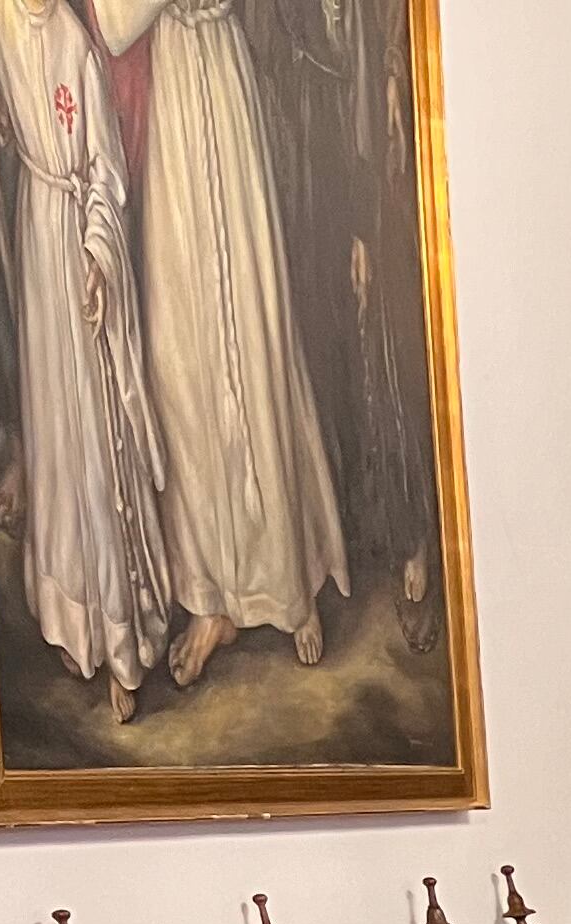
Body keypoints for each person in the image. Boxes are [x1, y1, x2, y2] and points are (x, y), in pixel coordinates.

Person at [88, 0, 352, 682]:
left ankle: (290, 581)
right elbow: (117, 25)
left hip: (227, 92)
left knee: (258, 327)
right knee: (185, 356)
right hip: (174, 97)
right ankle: (210, 600)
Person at [0, 0, 172, 716]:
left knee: (98, 444)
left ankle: (120, 641)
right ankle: (72, 621)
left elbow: (106, 166)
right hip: (37, 233)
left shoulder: (75, 41)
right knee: (54, 430)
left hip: (76, 251)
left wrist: (100, 255)